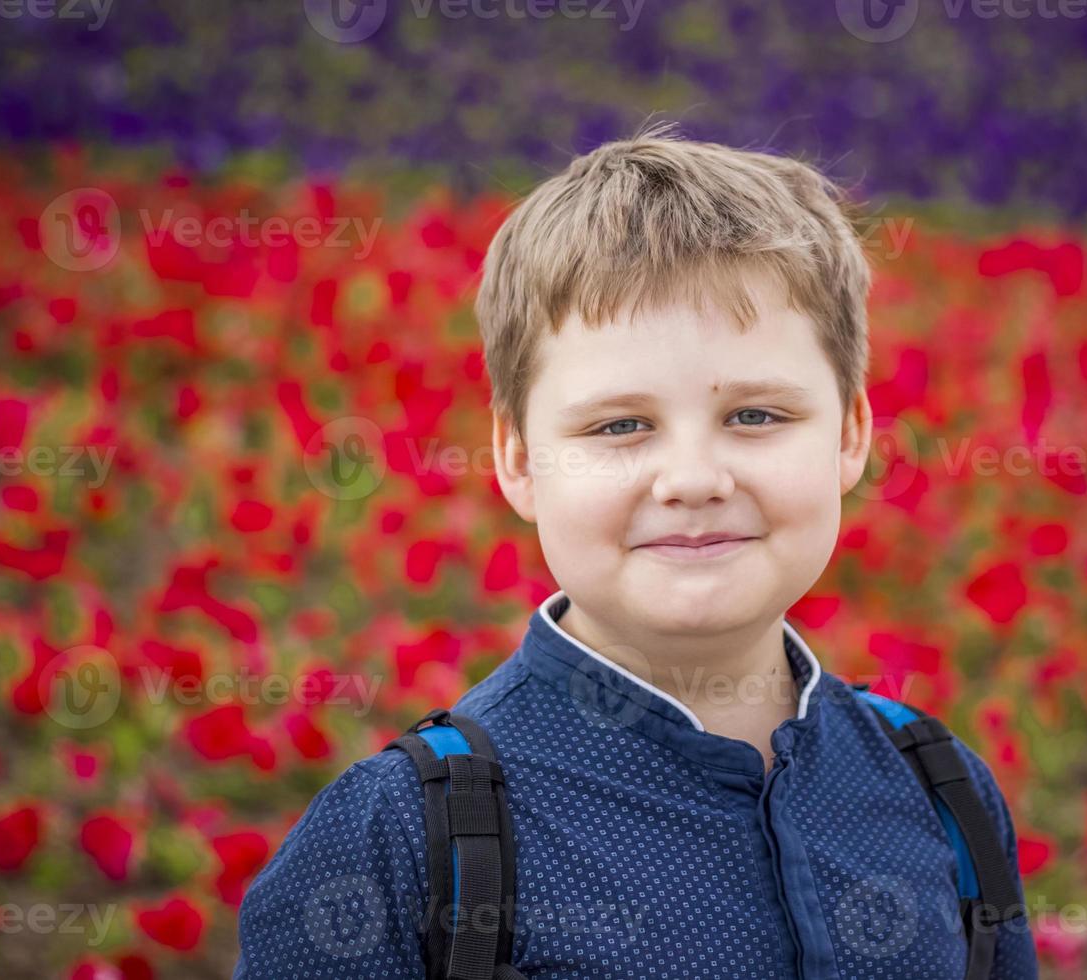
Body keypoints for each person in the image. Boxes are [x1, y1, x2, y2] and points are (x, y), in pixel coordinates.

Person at [234, 122, 1038, 979]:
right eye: (620, 426)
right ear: (517, 458)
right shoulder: (402, 839)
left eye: (757, 415)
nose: (692, 479)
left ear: (850, 435)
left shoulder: (938, 788)